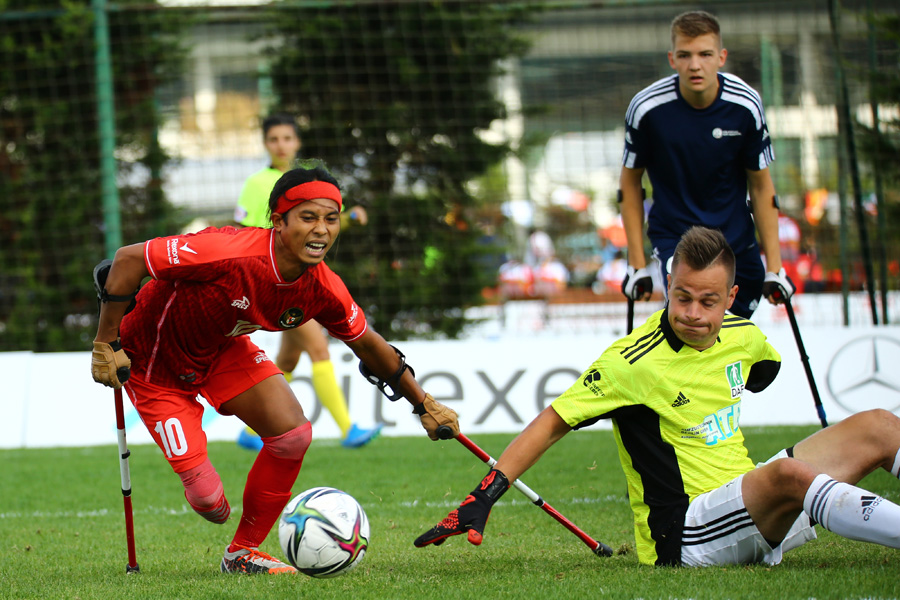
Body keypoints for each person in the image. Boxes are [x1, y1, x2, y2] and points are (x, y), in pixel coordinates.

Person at [414, 226, 900, 567]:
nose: (692, 312)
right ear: (669, 285)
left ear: (730, 298)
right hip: (685, 535)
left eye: (708, 301)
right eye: (681, 296)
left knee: (879, 423)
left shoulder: (744, 335)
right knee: (790, 473)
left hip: (753, 506)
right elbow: (551, 422)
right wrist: (483, 498)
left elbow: (762, 370)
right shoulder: (630, 362)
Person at [91, 163, 460, 574]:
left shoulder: (323, 287)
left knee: (293, 435)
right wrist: (107, 342)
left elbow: (371, 347)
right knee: (211, 504)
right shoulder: (227, 251)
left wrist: (422, 403)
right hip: (151, 363)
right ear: (278, 221)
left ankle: (242, 553)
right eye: (308, 217)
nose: (321, 230)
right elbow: (126, 260)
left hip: (221, 351)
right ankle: (218, 513)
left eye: (331, 219)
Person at [618, 10, 794, 319]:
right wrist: (636, 265)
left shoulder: (745, 105)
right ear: (672, 59)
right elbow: (630, 185)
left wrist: (776, 268)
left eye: (705, 54)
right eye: (685, 55)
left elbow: (762, 185)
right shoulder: (646, 109)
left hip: (736, 242)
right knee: (694, 325)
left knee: (733, 346)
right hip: (677, 240)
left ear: (722, 57)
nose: (695, 65)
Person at [234, 113, 381, 450]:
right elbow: (242, 231)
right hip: (275, 281)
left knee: (287, 361)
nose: (281, 145)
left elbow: (312, 220)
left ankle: (251, 432)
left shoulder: (306, 183)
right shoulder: (257, 183)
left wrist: (347, 216)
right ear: (265, 144)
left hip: (302, 279)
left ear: (296, 142)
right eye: (274, 139)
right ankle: (348, 429)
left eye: (287, 138)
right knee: (318, 348)